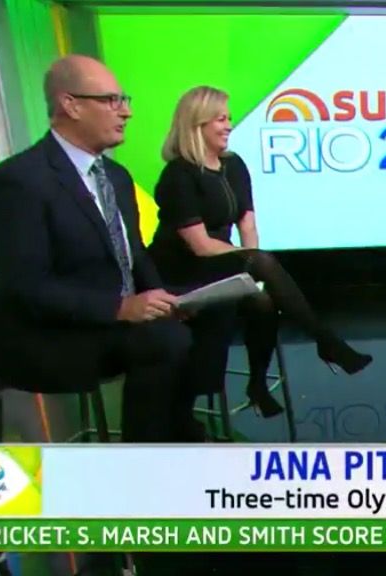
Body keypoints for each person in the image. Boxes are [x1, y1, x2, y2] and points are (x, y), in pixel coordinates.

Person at [0, 55, 196, 442]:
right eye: (111, 100)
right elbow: (23, 285)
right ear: (71, 105)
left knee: (207, 314)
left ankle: (181, 434)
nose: (126, 112)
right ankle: (145, 459)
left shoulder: (116, 176)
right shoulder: (16, 181)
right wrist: (119, 308)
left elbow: (134, 253)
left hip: (117, 318)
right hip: (54, 333)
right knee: (164, 340)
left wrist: (164, 297)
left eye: (124, 100)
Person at [147, 86, 372, 419]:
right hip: (179, 271)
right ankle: (327, 342)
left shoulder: (233, 165)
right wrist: (250, 263)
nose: (228, 126)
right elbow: (201, 246)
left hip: (220, 262)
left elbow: (247, 224)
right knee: (260, 261)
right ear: (197, 123)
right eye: (220, 119)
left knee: (263, 300)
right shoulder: (178, 176)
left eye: (229, 118)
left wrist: (250, 270)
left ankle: (257, 386)